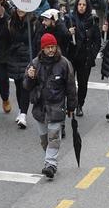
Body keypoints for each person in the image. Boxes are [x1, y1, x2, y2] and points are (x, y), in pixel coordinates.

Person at [23, 33, 77, 179]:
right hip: (40, 108)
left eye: (53, 46)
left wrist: (72, 106)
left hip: (56, 107)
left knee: (54, 137)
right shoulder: (34, 64)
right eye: (48, 47)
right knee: (44, 139)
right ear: (43, 49)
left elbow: (71, 86)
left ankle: (50, 164)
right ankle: (50, 158)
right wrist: (30, 76)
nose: (51, 50)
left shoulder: (64, 63)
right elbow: (26, 86)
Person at [66, 0, 101, 117]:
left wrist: (92, 54)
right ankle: (70, 104)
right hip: (72, 56)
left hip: (85, 57)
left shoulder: (92, 21)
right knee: (69, 83)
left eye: (84, 5)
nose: (81, 7)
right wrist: (68, 33)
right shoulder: (69, 19)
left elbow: (97, 40)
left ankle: (80, 104)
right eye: (79, 4)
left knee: (82, 83)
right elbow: (62, 37)